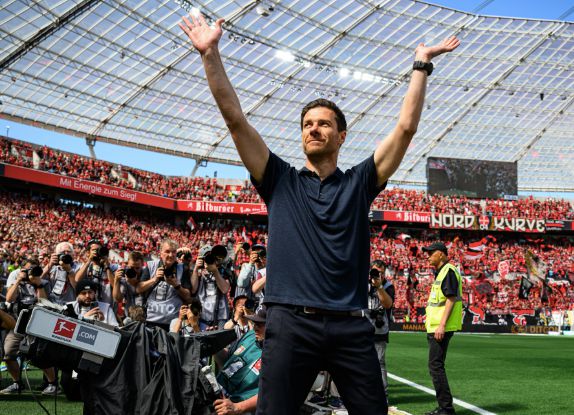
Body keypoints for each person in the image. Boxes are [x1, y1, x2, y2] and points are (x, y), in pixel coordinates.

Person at [179, 13, 459, 414]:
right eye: (307, 124)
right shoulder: (279, 180)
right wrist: (210, 53)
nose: (313, 129)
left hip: (350, 324)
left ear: (341, 136)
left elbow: (405, 129)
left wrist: (421, 63)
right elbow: (235, 120)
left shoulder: (360, 183)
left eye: (324, 124)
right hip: (290, 324)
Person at [1, 258, 58, 395]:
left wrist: (38, 285)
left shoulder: (43, 282)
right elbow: (9, 299)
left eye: (34, 269)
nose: (31, 272)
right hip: (17, 324)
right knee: (8, 354)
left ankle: (53, 384)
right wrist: (19, 281)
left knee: (39, 355)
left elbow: (44, 303)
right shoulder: (16, 280)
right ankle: (17, 383)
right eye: (29, 269)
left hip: (37, 325)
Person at [422, 242, 463, 415]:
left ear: (440, 254)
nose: (427, 256)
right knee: (436, 366)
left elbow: (451, 299)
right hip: (437, 326)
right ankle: (445, 407)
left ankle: (446, 408)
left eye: (430, 253)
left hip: (440, 328)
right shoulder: (442, 271)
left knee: (436, 366)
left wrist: (442, 325)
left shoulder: (448, 271)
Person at [214, 305, 267, 415]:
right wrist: (215, 346)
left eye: (260, 324)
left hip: (243, 409)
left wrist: (238, 407)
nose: (255, 328)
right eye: (255, 323)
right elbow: (226, 359)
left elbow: (272, 393)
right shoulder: (251, 335)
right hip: (219, 395)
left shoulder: (279, 354)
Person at [137, 239, 193, 331]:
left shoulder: (182, 268)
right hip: (150, 320)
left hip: (173, 322)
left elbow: (188, 296)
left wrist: (176, 285)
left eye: (173, 252)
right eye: (167, 251)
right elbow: (139, 288)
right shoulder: (151, 265)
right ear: (161, 253)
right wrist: (154, 279)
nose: (171, 255)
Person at [368, 260, 395, 400]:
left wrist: (379, 287)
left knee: (379, 363)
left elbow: (388, 304)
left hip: (380, 330)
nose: (379, 275)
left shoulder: (388, 286)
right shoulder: (363, 284)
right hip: (362, 328)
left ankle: (383, 395)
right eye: (376, 272)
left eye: (382, 273)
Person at [191, 245, 231, 330]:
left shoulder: (222, 270)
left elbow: (225, 289)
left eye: (210, 257)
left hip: (221, 315)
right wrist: (196, 269)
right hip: (203, 315)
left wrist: (215, 271)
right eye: (206, 257)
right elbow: (193, 289)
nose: (208, 260)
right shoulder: (197, 271)